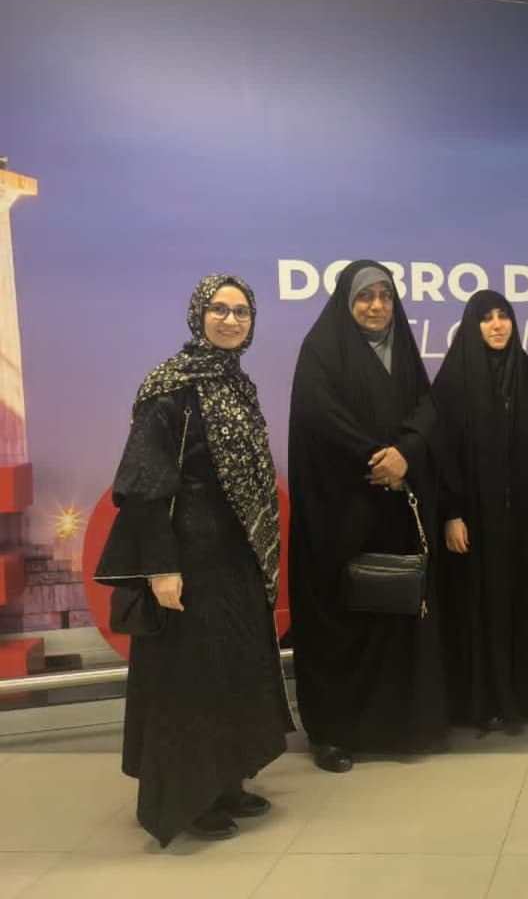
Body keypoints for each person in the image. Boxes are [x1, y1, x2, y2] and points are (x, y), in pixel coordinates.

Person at [94, 275, 292, 846]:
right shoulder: (170, 387)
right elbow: (144, 483)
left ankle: (226, 783)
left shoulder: (238, 385)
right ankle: (188, 798)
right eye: (219, 309)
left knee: (230, 671)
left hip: (235, 556)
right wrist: (161, 566)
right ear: (197, 314)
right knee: (189, 678)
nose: (230, 320)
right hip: (188, 556)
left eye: (241, 312)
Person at [288, 260, 450, 771]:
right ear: (346, 301)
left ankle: (396, 725)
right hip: (339, 512)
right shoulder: (321, 351)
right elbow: (321, 416)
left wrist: (406, 454)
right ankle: (334, 732)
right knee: (343, 616)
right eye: (365, 296)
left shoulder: (403, 349)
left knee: (394, 605)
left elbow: (427, 408)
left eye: (384, 296)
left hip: (395, 507)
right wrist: (377, 459)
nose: (376, 306)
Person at [435, 290, 528, 732]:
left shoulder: (527, 375)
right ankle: (481, 702)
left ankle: (519, 696)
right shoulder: (453, 381)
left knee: (520, 604)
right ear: (473, 326)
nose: (497, 325)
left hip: (520, 521)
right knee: (476, 607)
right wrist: (451, 513)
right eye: (486, 318)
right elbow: (441, 454)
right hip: (472, 520)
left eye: (503, 316)